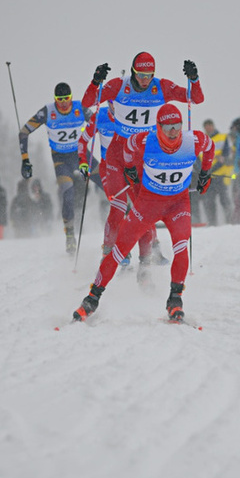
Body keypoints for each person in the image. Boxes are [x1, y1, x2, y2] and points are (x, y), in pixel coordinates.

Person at [71, 104, 214, 323]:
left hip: (178, 204)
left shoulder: (193, 140)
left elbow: (210, 146)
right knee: (119, 250)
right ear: (158, 127)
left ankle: (175, 300)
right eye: (168, 128)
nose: (173, 132)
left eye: (177, 126)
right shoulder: (146, 141)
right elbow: (127, 147)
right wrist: (129, 169)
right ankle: (92, 298)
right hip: (148, 204)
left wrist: (205, 173)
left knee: (181, 246)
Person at [81, 52, 203, 266]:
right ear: (133, 71)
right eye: (141, 74)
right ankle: (109, 252)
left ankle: (146, 259)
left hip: (143, 155)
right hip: (118, 153)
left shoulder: (161, 87)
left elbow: (195, 98)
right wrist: (95, 82)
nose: (145, 79)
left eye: (149, 74)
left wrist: (194, 79)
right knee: (118, 205)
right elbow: (87, 101)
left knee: (142, 209)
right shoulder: (119, 85)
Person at [18, 82, 100, 254]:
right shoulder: (48, 111)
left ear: (71, 97)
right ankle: (70, 236)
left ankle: (125, 225)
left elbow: (101, 123)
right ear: (55, 99)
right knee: (67, 192)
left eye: (66, 99)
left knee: (107, 183)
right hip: (61, 159)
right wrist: (25, 160)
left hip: (81, 155)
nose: (63, 103)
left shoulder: (80, 108)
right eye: (59, 99)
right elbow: (24, 132)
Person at [200, 119, 233, 225]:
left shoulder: (222, 138)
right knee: (209, 201)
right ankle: (212, 222)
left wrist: (211, 168)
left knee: (224, 200)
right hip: (208, 177)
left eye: (210, 125)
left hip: (220, 175)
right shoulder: (203, 140)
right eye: (206, 126)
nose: (208, 128)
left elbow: (226, 156)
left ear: (213, 126)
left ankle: (230, 221)